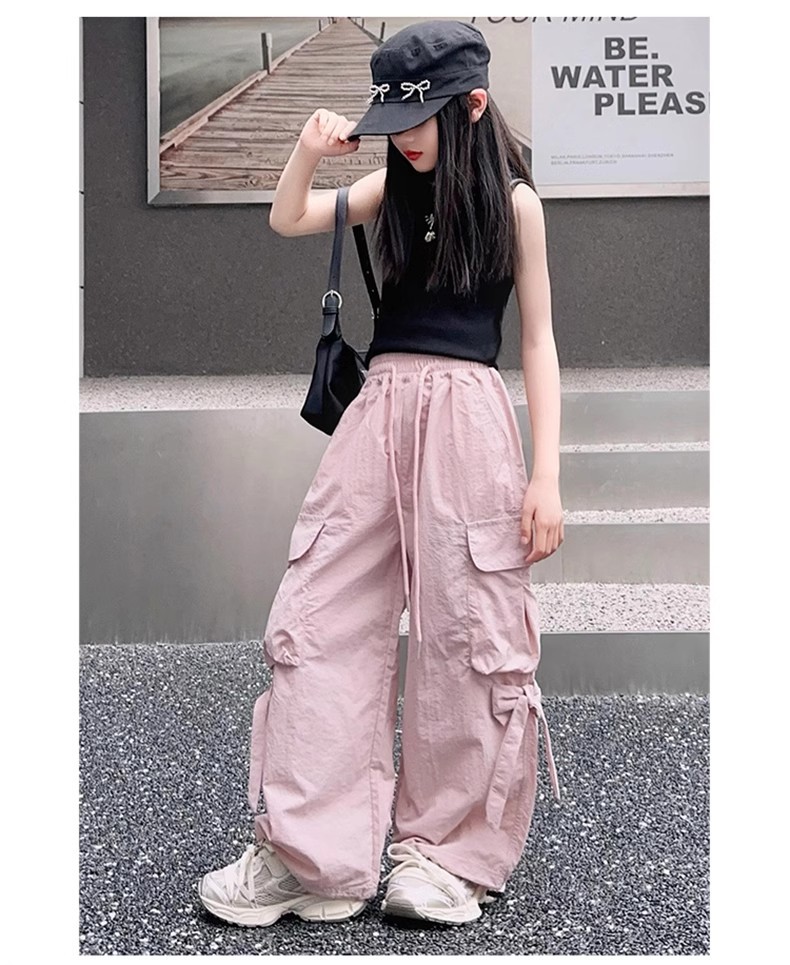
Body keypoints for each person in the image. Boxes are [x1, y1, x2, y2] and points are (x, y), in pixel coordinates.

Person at [198, 19, 564, 929]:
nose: (402, 138)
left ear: (471, 105)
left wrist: (547, 475)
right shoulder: (388, 186)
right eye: (391, 121)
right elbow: (288, 217)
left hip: (470, 419)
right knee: (319, 613)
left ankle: (447, 855)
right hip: (378, 415)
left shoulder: (516, 203)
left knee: (468, 634)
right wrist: (306, 149)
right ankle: (312, 856)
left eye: (417, 119)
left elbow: (539, 342)